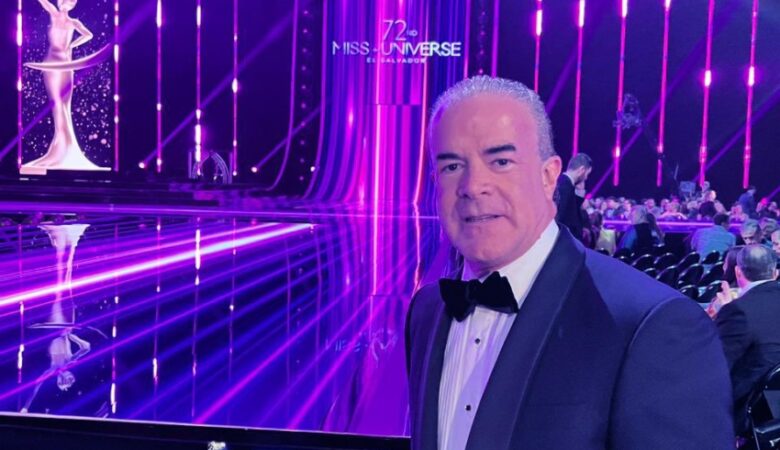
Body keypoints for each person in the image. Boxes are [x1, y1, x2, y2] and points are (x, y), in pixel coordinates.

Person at [405, 76, 732, 450]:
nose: (472, 185)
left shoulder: (654, 325)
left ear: (548, 177)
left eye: (501, 161)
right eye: (451, 167)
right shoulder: (426, 310)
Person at [22, 0, 110, 173]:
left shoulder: (74, 22)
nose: (66, 4)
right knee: (56, 104)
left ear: (73, 5)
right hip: (52, 63)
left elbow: (88, 35)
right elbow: (44, 2)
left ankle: (66, 149)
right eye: (64, 0)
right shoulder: (54, 14)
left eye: (70, 1)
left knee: (64, 104)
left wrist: (72, 45)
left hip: (66, 64)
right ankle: (60, 148)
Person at [715, 245, 780, 436]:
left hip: (754, 411)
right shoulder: (739, 309)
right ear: (775, 272)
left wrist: (721, 315)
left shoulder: (738, 311)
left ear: (737, 272)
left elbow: (717, 365)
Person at [554, 153, 592, 242]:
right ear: (582, 170)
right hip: (564, 242)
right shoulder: (565, 186)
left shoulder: (568, 185)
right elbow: (560, 216)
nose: (586, 178)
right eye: (587, 174)